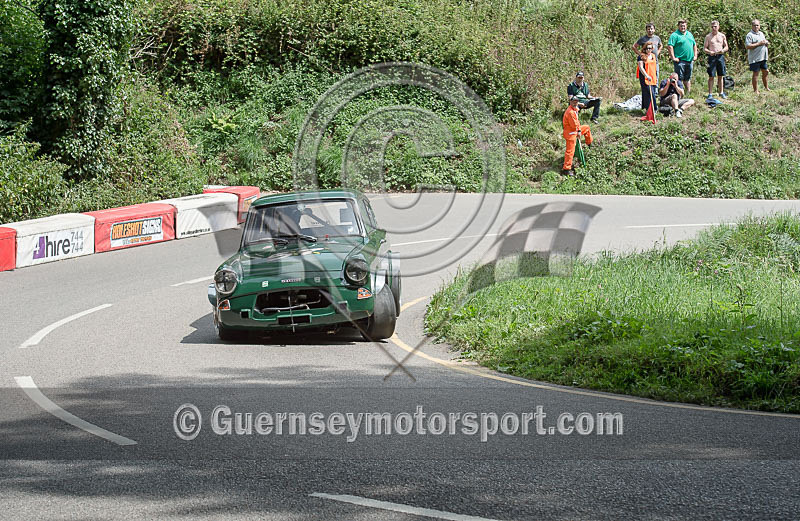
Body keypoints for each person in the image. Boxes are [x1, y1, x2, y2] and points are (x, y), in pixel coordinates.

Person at [562, 95, 593, 175]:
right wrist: (578, 131)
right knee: (570, 151)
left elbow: (577, 123)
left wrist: (579, 129)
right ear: (570, 102)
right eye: (573, 102)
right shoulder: (570, 112)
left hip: (575, 130)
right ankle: (567, 168)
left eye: (576, 102)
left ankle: (589, 143)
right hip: (570, 133)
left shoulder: (575, 109)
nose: (575, 103)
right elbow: (574, 125)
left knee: (586, 128)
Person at [668, 20, 698, 94]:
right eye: (681, 26)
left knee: (687, 78)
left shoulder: (689, 34)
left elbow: (694, 45)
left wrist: (695, 55)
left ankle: (688, 93)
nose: (683, 27)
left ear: (686, 26)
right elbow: (670, 46)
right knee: (679, 78)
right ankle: (679, 93)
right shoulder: (674, 35)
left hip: (690, 60)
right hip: (680, 61)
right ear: (678, 26)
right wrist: (673, 57)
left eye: (684, 26)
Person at [703, 20, 729, 98]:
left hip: (720, 56)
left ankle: (721, 92)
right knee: (711, 75)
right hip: (712, 57)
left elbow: (726, 46)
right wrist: (709, 52)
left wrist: (723, 50)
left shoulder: (722, 36)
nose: (714, 28)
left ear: (718, 27)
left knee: (721, 75)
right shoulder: (708, 36)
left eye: (715, 26)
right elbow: (704, 48)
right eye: (712, 27)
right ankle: (710, 93)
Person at [745, 19, 770, 93]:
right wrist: (759, 43)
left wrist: (766, 43)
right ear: (752, 26)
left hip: (763, 57)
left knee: (765, 72)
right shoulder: (749, 35)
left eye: (757, 25)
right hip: (755, 58)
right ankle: (756, 91)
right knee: (756, 74)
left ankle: (766, 87)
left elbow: (763, 42)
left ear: (759, 26)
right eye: (754, 25)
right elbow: (748, 46)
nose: (756, 26)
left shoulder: (761, 33)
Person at [637, 42, 659, 118]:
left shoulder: (653, 56)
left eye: (650, 48)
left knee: (652, 92)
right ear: (644, 49)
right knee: (649, 93)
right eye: (647, 48)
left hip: (652, 77)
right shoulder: (641, 56)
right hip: (645, 77)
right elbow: (641, 67)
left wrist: (655, 76)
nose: (649, 50)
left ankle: (650, 109)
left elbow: (655, 67)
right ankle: (652, 109)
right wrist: (646, 75)